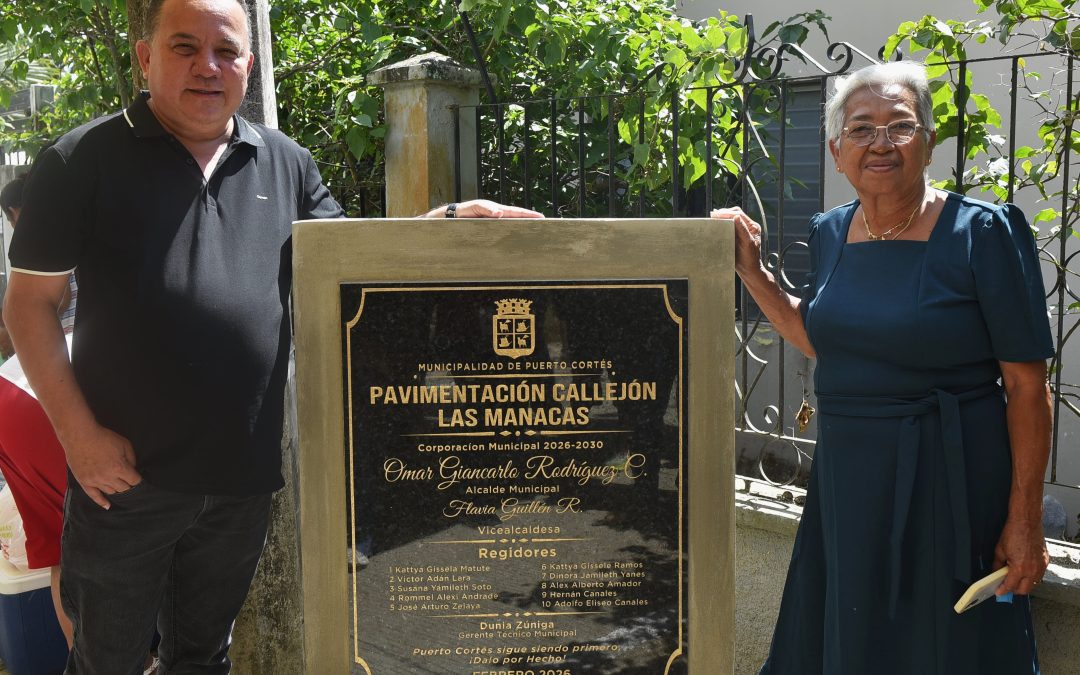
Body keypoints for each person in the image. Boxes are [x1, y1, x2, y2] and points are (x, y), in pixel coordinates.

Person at [1, 0, 541, 673]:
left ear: (248, 65)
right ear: (145, 56)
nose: (208, 66)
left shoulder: (285, 163)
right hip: (124, 480)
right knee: (108, 660)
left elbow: (353, 261)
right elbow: (29, 306)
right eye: (184, 46)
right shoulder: (81, 158)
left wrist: (449, 220)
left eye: (227, 50)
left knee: (202, 658)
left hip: (239, 482)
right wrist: (79, 438)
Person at [713, 61, 1052, 674]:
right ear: (837, 150)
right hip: (850, 479)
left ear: (927, 141)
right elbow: (821, 338)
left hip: (951, 481)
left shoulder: (983, 233)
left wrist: (1025, 521)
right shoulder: (830, 232)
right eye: (862, 128)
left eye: (900, 126)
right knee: (849, 633)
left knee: (948, 646)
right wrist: (751, 272)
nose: (881, 142)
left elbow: (1028, 387)